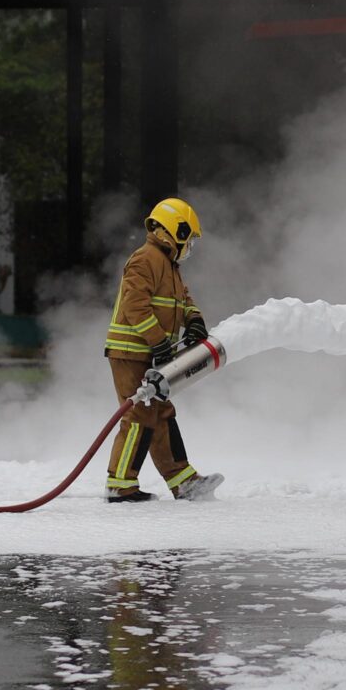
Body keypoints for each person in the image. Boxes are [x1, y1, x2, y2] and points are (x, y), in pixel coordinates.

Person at [101, 197, 223, 504]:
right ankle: (120, 485)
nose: (190, 247)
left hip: (150, 351)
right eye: (189, 239)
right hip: (130, 352)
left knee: (162, 413)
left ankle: (184, 482)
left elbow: (183, 299)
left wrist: (194, 320)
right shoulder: (145, 259)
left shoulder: (169, 266)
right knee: (139, 416)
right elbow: (134, 307)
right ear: (175, 231)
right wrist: (158, 341)